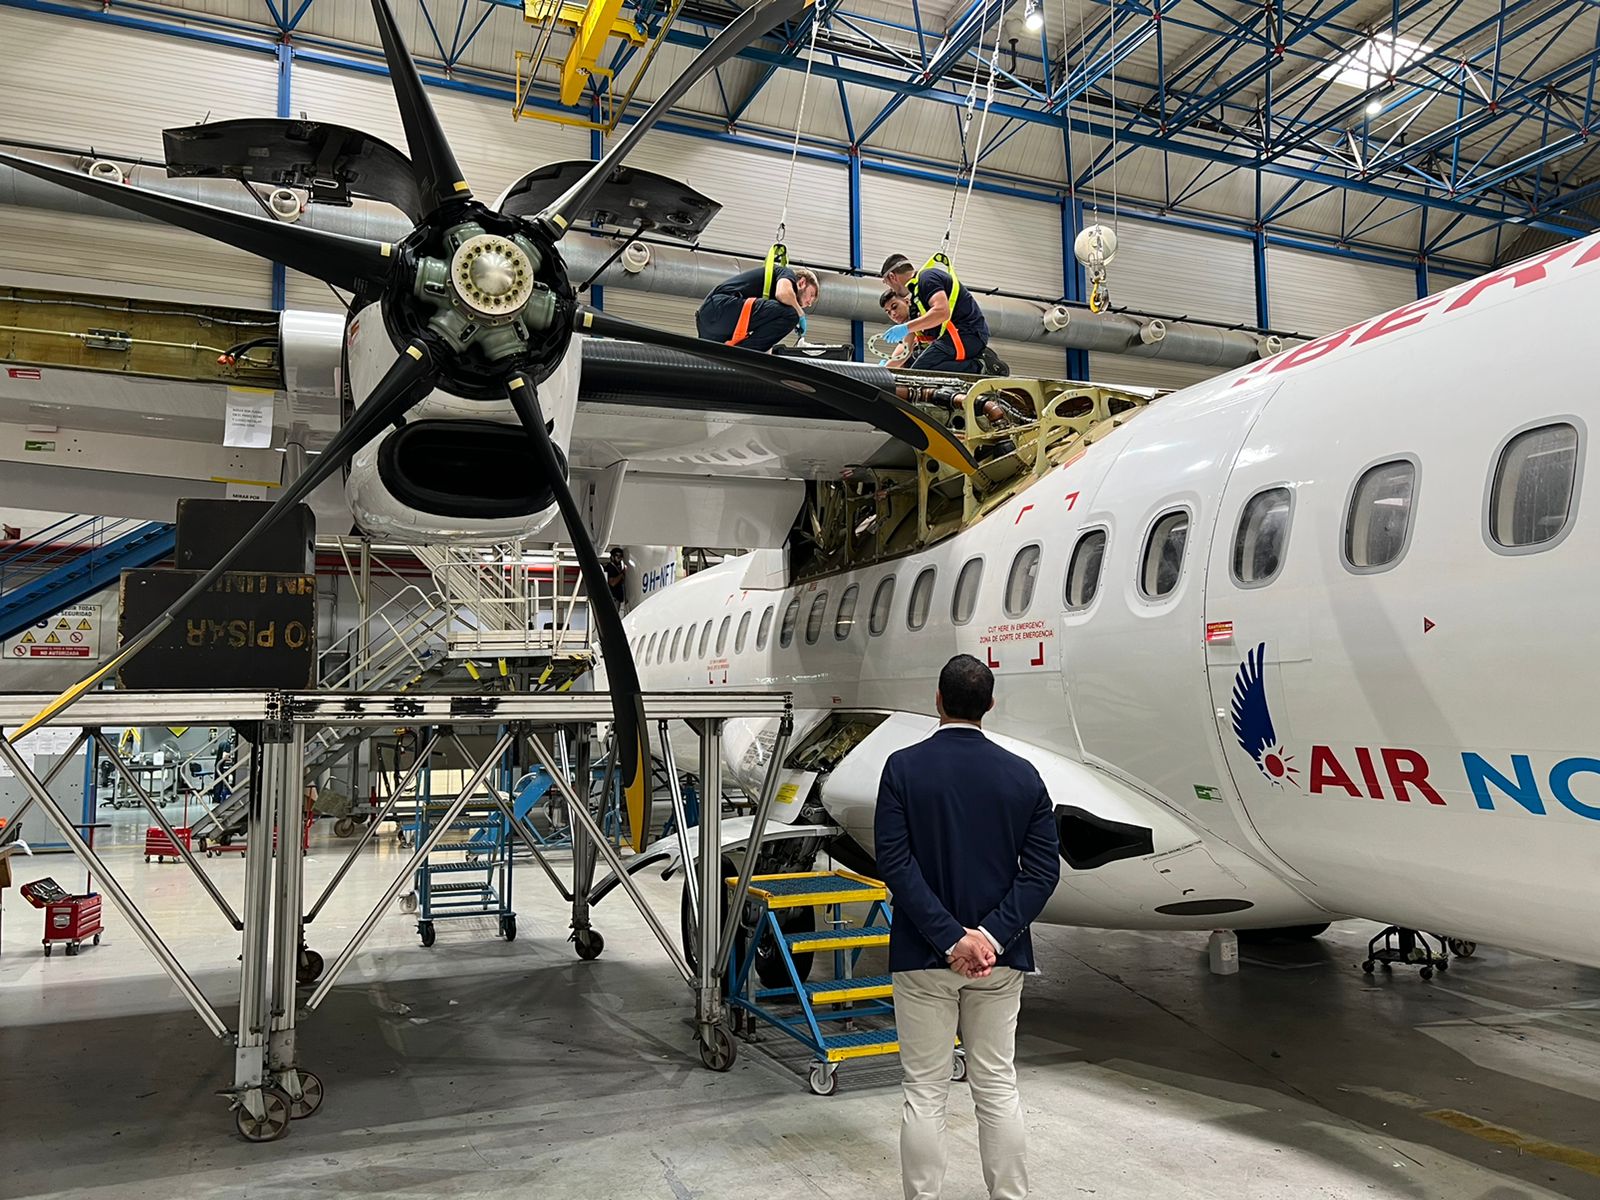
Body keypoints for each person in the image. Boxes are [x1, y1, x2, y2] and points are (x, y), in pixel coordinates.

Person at [874, 654, 1060, 1200]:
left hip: (922, 958)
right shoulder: (1023, 776)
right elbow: (1044, 870)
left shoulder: (902, 769)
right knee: (997, 1087)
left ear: (937, 700)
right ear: (990, 706)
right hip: (999, 963)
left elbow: (895, 864)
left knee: (925, 1093)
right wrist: (989, 937)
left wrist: (950, 937)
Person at [880, 253, 991, 375]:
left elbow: (941, 312)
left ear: (892, 277)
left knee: (920, 371)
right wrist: (884, 371)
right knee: (917, 367)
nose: (892, 289)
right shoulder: (916, 301)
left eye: (887, 283)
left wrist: (906, 327)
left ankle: (980, 367)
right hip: (955, 337)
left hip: (969, 333)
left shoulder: (927, 278)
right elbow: (906, 349)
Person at [695, 262, 820, 352]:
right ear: (802, 282)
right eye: (811, 295)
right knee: (791, 315)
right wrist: (800, 315)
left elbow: (765, 336)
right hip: (720, 306)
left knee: (717, 357)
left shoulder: (772, 309)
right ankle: (744, 355)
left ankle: (737, 356)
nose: (809, 303)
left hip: (710, 324)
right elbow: (783, 293)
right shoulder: (786, 273)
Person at [604, 547, 628, 612]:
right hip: (613, 598)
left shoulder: (616, 568)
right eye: (617, 556)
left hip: (616, 598)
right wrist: (622, 573)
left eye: (620, 556)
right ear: (612, 557)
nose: (619, 558)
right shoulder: (610, 567)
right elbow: (612, 583)